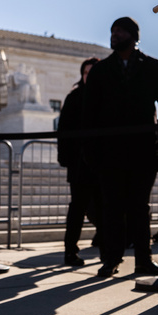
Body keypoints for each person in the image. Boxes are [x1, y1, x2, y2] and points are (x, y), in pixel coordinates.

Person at [82, 17, 158, 278]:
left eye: (120, 31)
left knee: (139, 207)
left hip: (143, 150)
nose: (115, 35)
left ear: (133, 36)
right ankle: (110, 259)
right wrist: (90, 150)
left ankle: (143, 260)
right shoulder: (100, 71)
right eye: (112, 31)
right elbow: (89, 113)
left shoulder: (152, 67)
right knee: (112, 208)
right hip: (109, 153)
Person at [57, 57, 102, 267]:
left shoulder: (106, 96)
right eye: (85, 73)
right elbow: (63, 130)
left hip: (102, 163)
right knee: (77, 208)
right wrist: (65, 158)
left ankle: (109, 252)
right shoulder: (74, 97)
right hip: (80, 164)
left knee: (105, 207)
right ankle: (70, 251)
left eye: (92, 73)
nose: (88, 77)